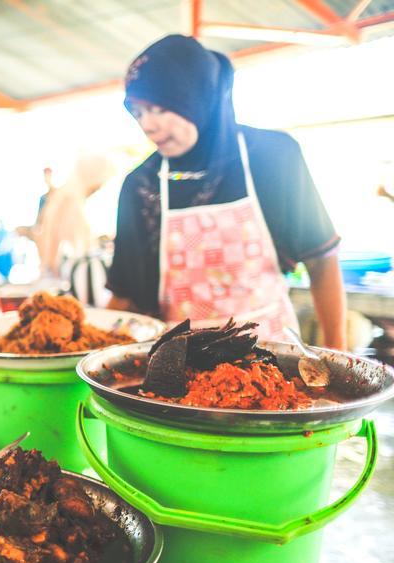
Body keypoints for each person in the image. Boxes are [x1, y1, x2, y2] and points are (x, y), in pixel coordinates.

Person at [107, 35, 347, 349]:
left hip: (272, 358)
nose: (147, 125)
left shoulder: (273, 157)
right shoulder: (140, 184)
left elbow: (322, 261)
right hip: (176, 372)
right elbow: (125, 297)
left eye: (156, 108)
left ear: (195, 96)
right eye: (138, 113)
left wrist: (338, 354)